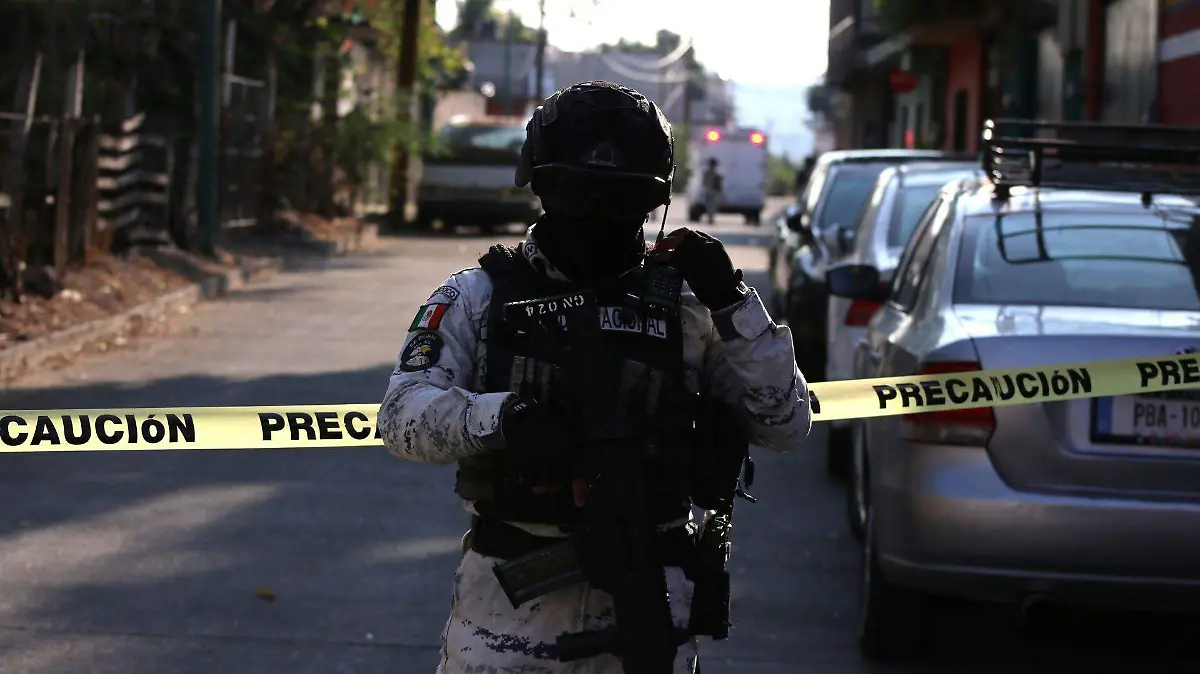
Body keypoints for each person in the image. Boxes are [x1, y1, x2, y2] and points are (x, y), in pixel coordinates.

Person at [377, 80, 812, 674]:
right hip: (505, 622)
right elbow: (401, 416)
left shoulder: (690, 310)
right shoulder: (478, 297)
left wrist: (734, 301)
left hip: (650, 613)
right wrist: (505, 418)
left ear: (653, 200)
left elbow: (784, 423)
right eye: (576, 191)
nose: (597, 214)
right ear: (539, 186)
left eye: (621, 196)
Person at [700, 158, 723, 224]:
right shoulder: (716, 174)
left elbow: (704, 183)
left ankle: (710, 218)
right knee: (712, 206)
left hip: (710, 191)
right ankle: (711, 218)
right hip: (713, 191)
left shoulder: (707, 173)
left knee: (710, 206)